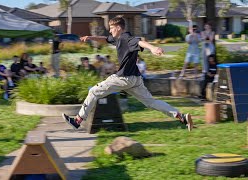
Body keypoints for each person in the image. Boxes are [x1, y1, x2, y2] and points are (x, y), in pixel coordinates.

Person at [62, 16, 194, 131]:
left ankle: (78, 121)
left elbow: (138, 41)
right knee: (151, 103)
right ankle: (181, 117)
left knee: (93, 92)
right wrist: (90, 37)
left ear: (119, 28)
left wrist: (153, 48)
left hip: (124, 78)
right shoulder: (118, 38)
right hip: (135, 80)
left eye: (112, 28)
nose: (110, 30)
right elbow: (105, 39)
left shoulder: (126, 38)